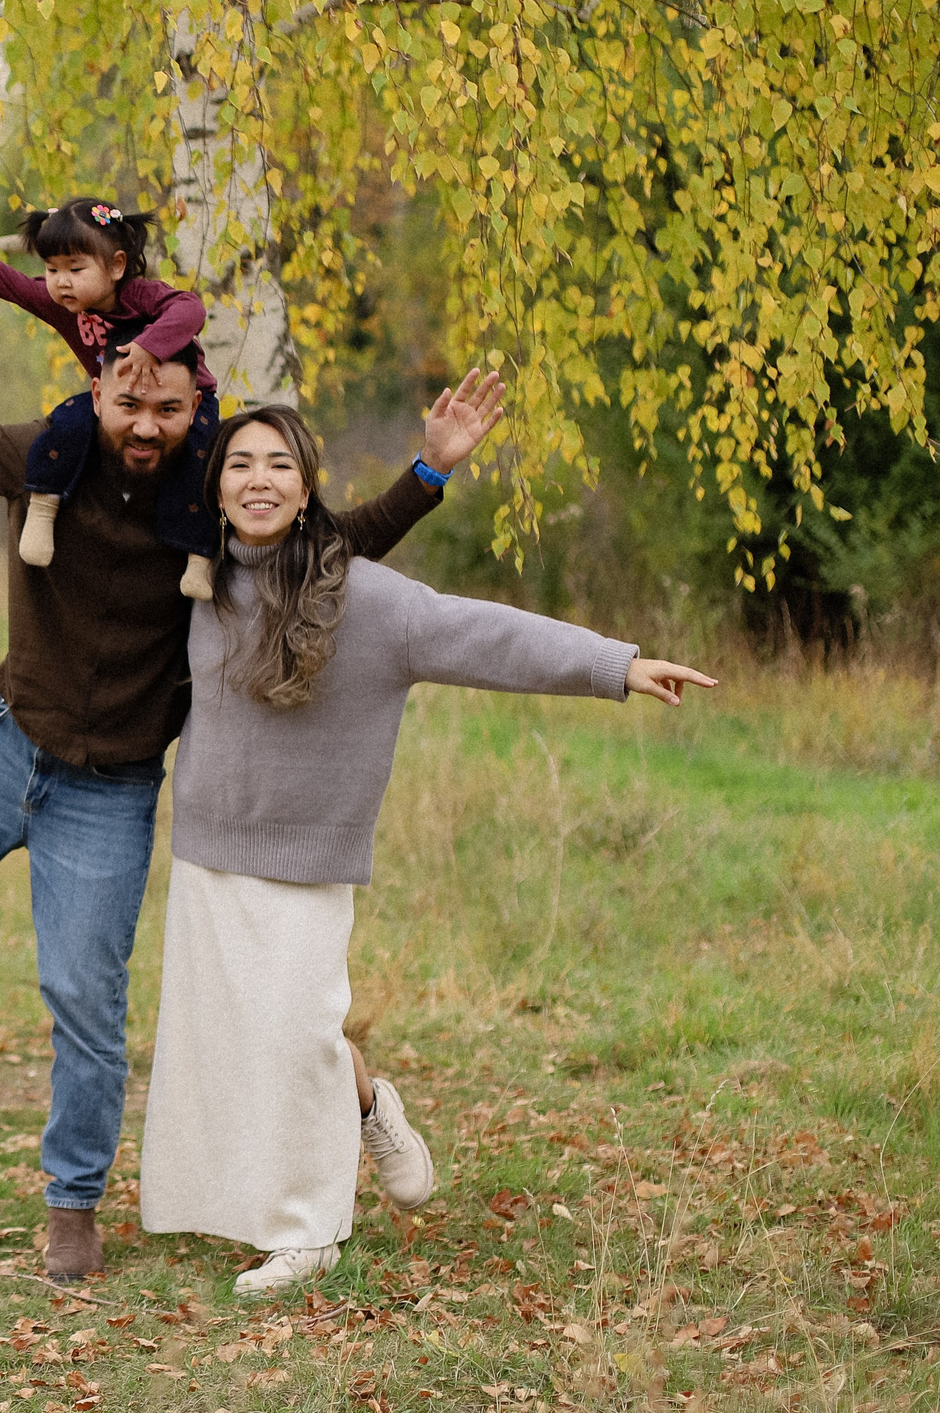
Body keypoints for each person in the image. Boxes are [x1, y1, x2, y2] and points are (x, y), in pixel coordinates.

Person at [0, 230, 505, 1281]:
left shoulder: (210, 502)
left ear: (193, 408)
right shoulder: (51, 451)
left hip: (110, 789)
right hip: (3, 740)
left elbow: (330, 551)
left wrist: (430, 470)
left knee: (84, 1001)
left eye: (168, 408)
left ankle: (72, 1204)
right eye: (129, 403)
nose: (145, 423)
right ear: (99, 391)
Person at [141, 406, 715, 1297]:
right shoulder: (196, 580)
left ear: (307, 487)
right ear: (215, 487)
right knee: (237, 1040)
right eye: (239, 463)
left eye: (279, 464)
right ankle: (368, 1107)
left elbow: (486, 634)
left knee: (296, 1037)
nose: (258, 479)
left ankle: (310, 1233)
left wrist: (614, 665)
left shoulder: (364, 598)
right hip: (209, 849)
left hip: (311, 858)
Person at [0, 199, 218, 592]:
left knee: (201, 459)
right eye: (52, 270)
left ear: (116, 266)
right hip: (114, 402)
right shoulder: (63, 307)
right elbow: (7, 282)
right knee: (66, 422)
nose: (61, 282)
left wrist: (151, 345)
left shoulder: (139, 296)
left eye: (75, 269)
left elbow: (191, 309)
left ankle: (199, 557)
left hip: (185, 401)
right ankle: (43, 507)